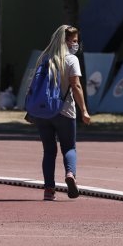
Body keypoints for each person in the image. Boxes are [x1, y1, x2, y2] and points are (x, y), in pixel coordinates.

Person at [31, 25, 91, 201]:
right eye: (74, 41)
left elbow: (33, 86)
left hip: (43, 113)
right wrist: (84, 111)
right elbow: (76, 85)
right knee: (69, 147)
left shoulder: (44, 58)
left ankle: (49, 190)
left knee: (49, 151)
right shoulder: (71, 60)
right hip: (65, 111)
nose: (76, 44)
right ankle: (70, 174)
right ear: (65, 41)